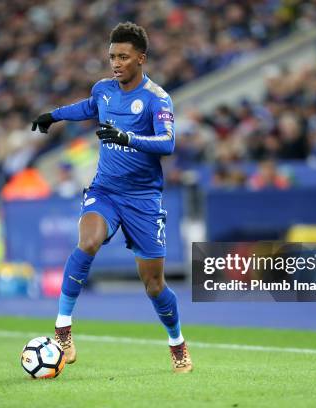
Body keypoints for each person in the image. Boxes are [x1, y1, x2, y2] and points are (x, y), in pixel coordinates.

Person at [31, 22, 192, 373]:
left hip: (143, 199)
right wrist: (53, 116)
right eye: (111, 56)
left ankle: (177, 343)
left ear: (141, 58)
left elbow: (167, 143)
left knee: (153, 284)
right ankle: (63, 330)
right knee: (87, 242)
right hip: (105, 190)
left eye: (123, 56)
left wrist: (126, 138)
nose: (115, 63)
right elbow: (88, 106)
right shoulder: (104, 90)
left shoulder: (157, 98)